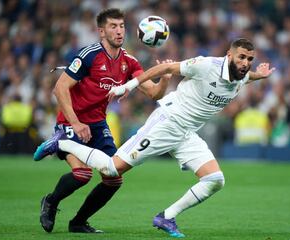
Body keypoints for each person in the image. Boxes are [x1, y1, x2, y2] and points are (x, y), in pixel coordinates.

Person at [34, 38, 274, 237]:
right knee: (110, 170)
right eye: (241, 57)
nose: (245, 63)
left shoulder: (242, 75)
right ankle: (60, 142)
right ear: (229, 55)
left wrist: (259, 75)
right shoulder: (205, 65)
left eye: (249, 59)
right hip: (167, 122)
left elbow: (246, 76)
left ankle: (166, 217)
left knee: (215, 179)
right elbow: (165, 69)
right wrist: (128, 86)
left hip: (186, 133)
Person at [33, 8, 171, 233]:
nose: (119, 31)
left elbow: (154, 93)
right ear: (101, 32)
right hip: (70, 123)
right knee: (83, 174)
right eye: (113, 27)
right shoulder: (89, 55)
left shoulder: (129, 61)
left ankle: (78, 223)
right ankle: (50, 201)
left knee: (113, 178)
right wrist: (76, 123)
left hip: (97, 125)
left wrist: (164, 79)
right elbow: (60, 89)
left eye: (122, 26)